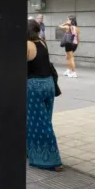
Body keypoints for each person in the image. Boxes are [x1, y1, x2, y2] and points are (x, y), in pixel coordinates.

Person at [27, 19, 63, 171]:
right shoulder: (42, 42)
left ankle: (51, 160)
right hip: (48, 84)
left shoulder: (27, 44)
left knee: (39, 124)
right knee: (44, 119)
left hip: (34, 86)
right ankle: (31, 150)